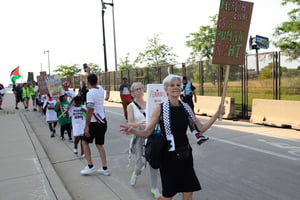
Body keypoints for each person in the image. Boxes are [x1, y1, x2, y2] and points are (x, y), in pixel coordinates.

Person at [120, 74, 225, 200]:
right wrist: (134, 131)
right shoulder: (159, 108)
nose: (175, 87)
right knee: (169, 195)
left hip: (185, 154)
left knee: (188, 191)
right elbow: (147, 132)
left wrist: (216, 114)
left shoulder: (186, 107)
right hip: (169, 157)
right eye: (172, 85)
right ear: (165, 89)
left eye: (178, 85)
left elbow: (201, 128)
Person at [127, 82, 161, 198]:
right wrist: (138, 125)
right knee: (140, 164)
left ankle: (154, 188)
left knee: (153, 163)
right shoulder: (130, 106)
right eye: (136, 89)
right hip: (139, 137)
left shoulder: (151, 104)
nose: (139, 91)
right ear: (132, 93)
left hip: (152, 136)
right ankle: (136, 173)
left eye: (140, 88)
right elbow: (130, 122)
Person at [80, 68, 110, 176]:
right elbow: (95, 81)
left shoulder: (90, 93)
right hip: (102, 121)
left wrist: (86, 126)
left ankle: (90, 166)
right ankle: (105, 167)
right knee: (99, 144)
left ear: (87, 82)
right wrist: (89, 72)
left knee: (84, 142)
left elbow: (90, 110)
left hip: (94, 122)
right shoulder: (101, 89)